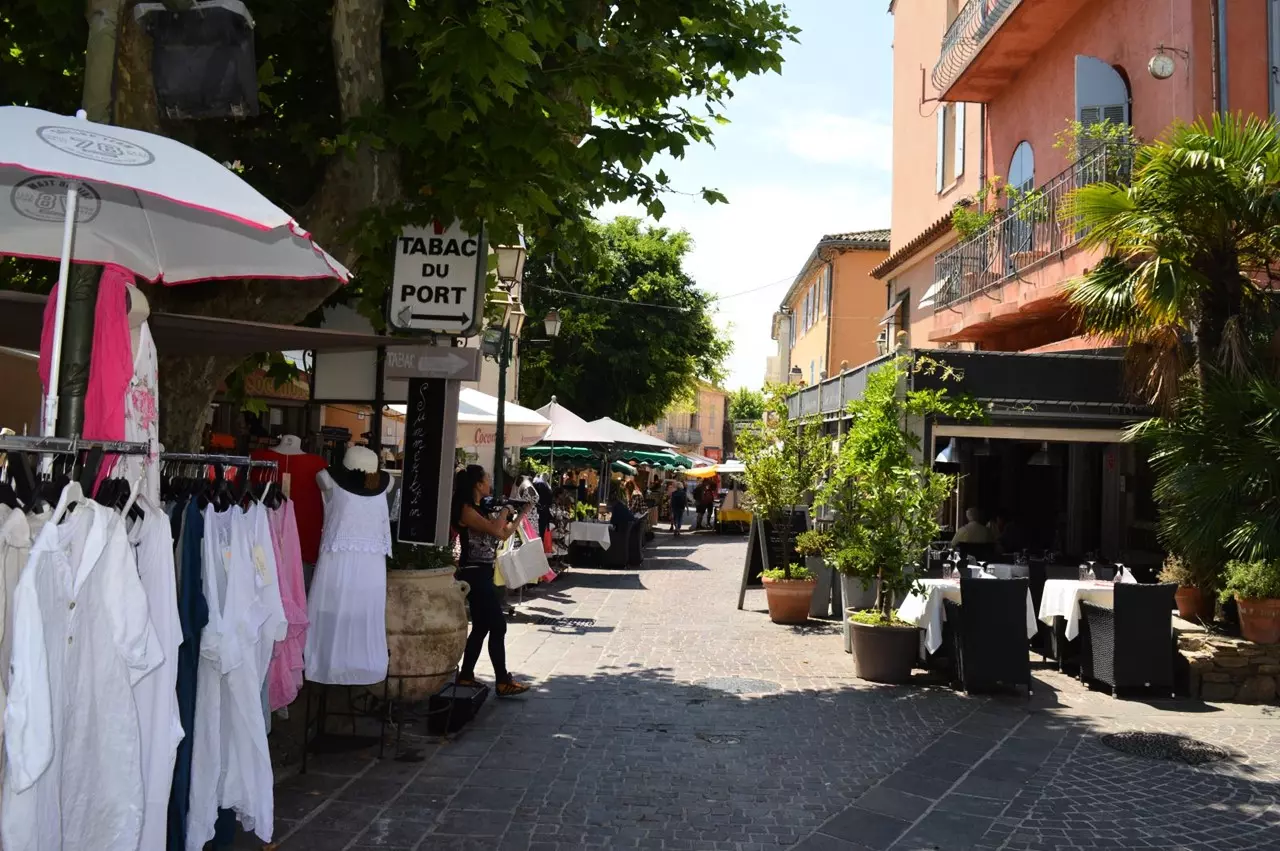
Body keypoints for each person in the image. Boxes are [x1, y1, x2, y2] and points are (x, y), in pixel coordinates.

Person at [452, 465, 531, 697]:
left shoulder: (481, 509)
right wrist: (506, 509)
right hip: (473, 573)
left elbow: (504, 533)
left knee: (481, 626)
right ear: (478, 484)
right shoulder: (467, 510)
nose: (490, 483)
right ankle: (502, 680)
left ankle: (466, 675)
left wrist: (522, 513)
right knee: (498, 625)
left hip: (484, 571)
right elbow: (496, 530)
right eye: (487, 479)